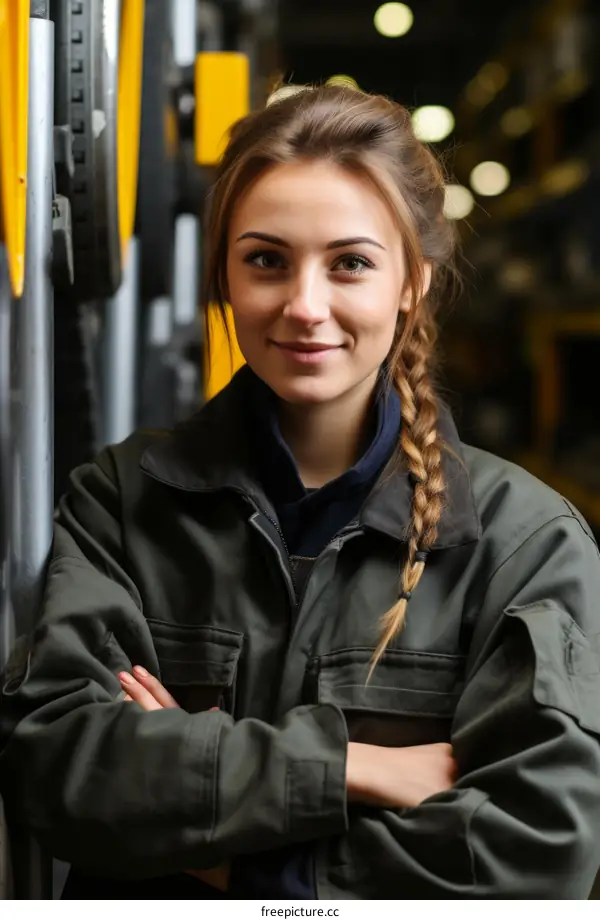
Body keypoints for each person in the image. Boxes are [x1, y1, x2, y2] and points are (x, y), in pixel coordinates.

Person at [2, 82, 600, 901]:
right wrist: (357, 768)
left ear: (413, 282)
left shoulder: (525, 544)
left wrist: (238, 859)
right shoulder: (120, 503)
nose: (304, 306)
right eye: (266, 261)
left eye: (349, 263)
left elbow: (539, 856)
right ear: (225, 275)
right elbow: (55, 771)